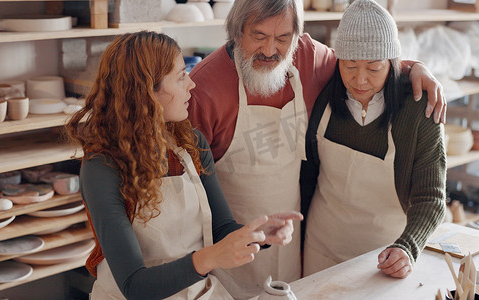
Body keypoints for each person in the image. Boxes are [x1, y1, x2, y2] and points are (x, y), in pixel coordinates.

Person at [187, 0, 446, 298]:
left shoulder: (308, 59)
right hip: (229, 249)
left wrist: (415, 68)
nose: (271, 50)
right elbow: (188, 196)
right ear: (235, 32)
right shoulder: (203, 90)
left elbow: (366, 58)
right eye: (259, 36)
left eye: (283, 38)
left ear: (297, 37)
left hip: (297, 247)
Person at [65, 31, 303, 300]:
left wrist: (258, 234)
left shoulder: (190, 143)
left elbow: (221, 228)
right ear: (146, 92)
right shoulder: (102, 167)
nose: (191, 84)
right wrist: (210, 257)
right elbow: (135, 286)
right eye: (180, 76)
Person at [301, 0, 446, 278]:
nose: (360, 80)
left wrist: (407, 247)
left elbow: (431, 198)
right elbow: (308, 174)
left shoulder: (419, 108)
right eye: (349, 66)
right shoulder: (324, 95)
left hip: (384, 256)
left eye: (374, 68)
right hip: (321, 246)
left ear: (393, 63)